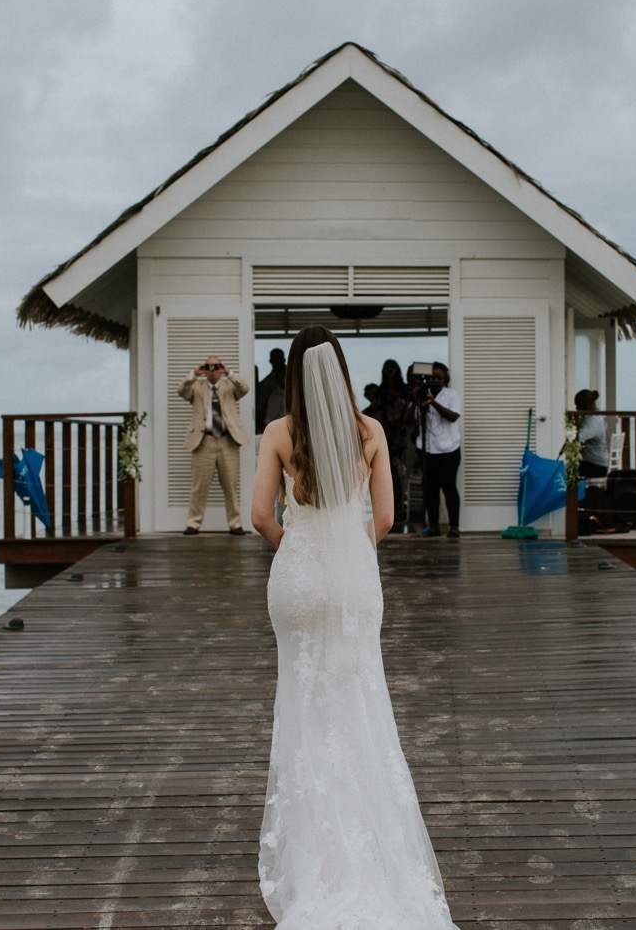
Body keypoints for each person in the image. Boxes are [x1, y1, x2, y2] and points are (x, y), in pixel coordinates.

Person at [250, 326, 459, 929]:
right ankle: (366, 845)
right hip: (353, 580)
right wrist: (347, 549)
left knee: (303, 703)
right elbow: (389, 516)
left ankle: (315, 852)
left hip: (298, 581)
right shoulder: (370, 430)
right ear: (340, 369)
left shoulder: (278, 433)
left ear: (292, 374)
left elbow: (261, 515)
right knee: (359, 702)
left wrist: (302, 550)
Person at [179, 355, 250, 535]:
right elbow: (181, 390)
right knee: (199, 486)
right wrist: (195, 374)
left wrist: (228, 372)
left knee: (231, 486)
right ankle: (193, 524)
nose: (212, 371)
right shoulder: (197, 387)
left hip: (228, 441)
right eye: (209, 367)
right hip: (204, 441)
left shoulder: (229, 386)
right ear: (204, 369)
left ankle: (235, 524)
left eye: (215, 367)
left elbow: (245, 388)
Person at [411, 361, 462, 538]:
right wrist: (415, 400)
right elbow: (410, 420)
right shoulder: (423, 395)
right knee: (430, 489)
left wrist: (433, 403)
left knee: (449, 488)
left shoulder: (451, 395)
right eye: (432, 377)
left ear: (445, 378)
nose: (435, 380)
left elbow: (453, 417)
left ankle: (454, 526)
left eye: (439, 377)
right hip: (427, 448)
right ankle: (433, 526)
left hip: (448, 448)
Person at [374, 359, 412, 530]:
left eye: (393, 368)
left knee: (398, 471)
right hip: (385, 433)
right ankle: (389, 506)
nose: (390, 370)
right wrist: (386, 431)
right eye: (387, 368)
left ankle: (398, 505)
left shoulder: (405, 390)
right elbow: (378, 411)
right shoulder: (381, 391)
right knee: (386, 469)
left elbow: (409, 413)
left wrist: (399, 430)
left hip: (401, 435)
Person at [575, 388, 610, 479]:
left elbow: (578, 437)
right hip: (599, 462)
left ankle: (574, 492)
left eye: (578, 406)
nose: (576, 410)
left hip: (596, 465)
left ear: (585, 406)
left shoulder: (592, 421)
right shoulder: (598, 417)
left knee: (568, 469)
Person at [254, 348, 287, 433]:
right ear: (271, 361)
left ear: (284, 359)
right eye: (276, 359)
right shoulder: (266, 386)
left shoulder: (296, 382)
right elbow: (259, 408)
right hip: (275, 427)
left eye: (280, 359)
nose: (279, 361)